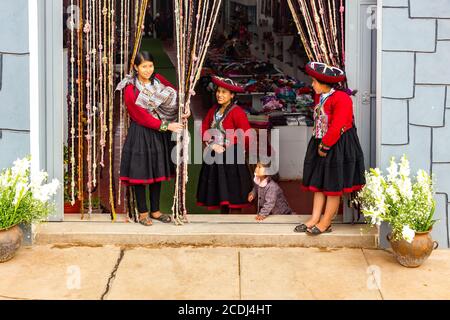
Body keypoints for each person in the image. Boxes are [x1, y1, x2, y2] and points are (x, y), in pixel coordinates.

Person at [294, 62, 365, 235]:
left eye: (314, 82)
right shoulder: (321, 96)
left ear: (323, 82)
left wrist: (325, 146)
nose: (312, 85)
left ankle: (326, 222)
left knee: (333, 186)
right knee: (318, 183)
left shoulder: (341, 98)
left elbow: (338, 124)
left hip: (337, 145)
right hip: (321, 141)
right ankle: (314, 218)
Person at [116, 51, 184, 226]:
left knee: (157, 172)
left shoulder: (159, 80)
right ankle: (143, 212)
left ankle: (155, 211)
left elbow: (177, 96)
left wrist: (184, 110)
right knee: (141, 174)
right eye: (144, 66)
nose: (148, 70)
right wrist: (166, 126)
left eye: (150, 66)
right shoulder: (130, 88)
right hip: (141, 133)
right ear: (136, 68)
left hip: (158, 135)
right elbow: (139, 115)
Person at [197, 76, 254, 213]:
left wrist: (232, 149)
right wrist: (211, 144)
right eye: (218, 91)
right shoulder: (214, 110)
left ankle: (234, 226)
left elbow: (246, 135)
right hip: (215, 157)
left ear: (232, 95)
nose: (219, 95)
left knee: (233, 193)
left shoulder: (237, 112)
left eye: (224, 92)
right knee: (221, 192)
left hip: (232, 159)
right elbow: (204, 127)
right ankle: (224, 221)